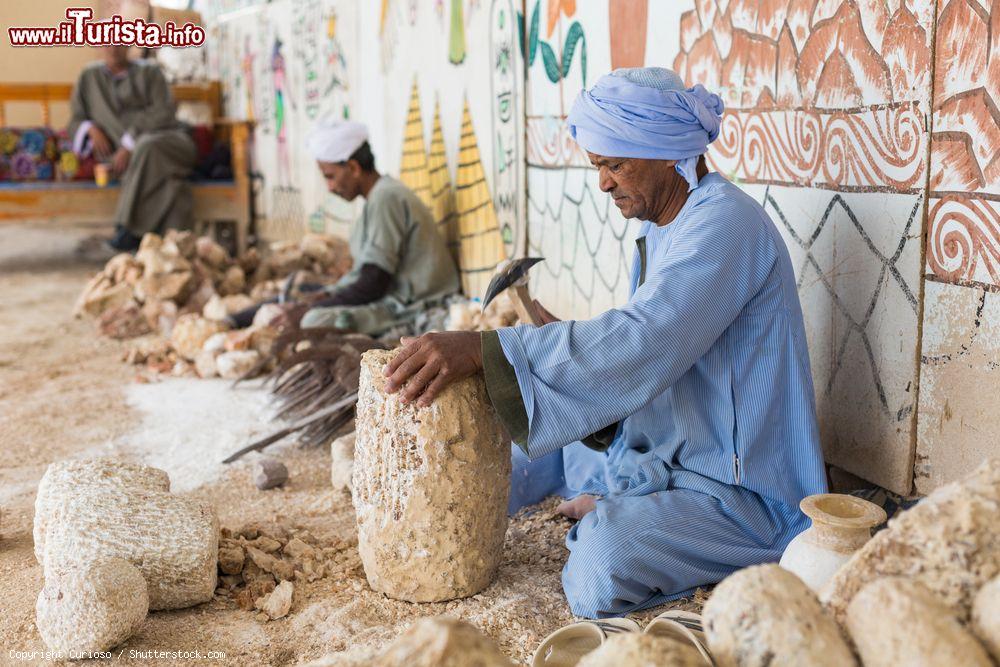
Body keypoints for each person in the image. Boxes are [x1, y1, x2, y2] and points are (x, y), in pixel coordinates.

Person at [379, 67, 827, 618]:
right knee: (521, 453)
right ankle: (622, 504)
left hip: (739, 494)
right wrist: (550, 349)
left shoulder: (726, 225)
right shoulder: (660, 228)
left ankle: (630, 519)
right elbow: (650, 350)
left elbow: (643, 342)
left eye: (615, 164)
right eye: (599, 166)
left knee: (599, 566)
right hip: (669, 453)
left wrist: (484, 349)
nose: (604, 183)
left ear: (667, 153)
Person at [234, 120, 460, 336]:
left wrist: (310, 309)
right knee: (298, 297)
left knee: (312, 319)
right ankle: (232, 321)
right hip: (390, 300)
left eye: (330, 177)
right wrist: (320, 297)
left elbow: (373, 283)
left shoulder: (387, 198)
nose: (330, 187)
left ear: (353, 167)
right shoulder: (377, 199)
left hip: (412, 308)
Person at [70, 45, 197, 254]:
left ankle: (126, 229)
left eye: (118, 42)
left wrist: (130, 143)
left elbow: (164, 112)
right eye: (106, 43)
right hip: (134, 162)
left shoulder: (150, 72)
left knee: (146, 146)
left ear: (128, 45)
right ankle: (155, 241)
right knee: (168, 180)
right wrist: (89, 127)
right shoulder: (89, 78)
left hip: (171, 143)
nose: (112, 48)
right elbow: (76, 119)